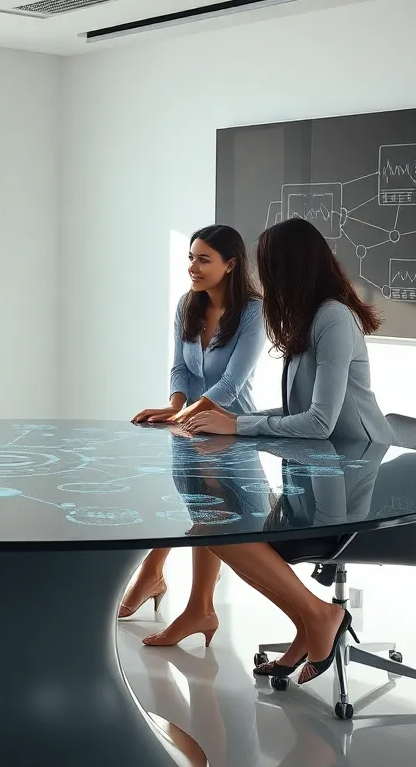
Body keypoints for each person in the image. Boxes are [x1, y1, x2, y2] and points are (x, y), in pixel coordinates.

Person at [172, 217, 398, 687]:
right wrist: (234, 426)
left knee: (217, 529)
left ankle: (317, 617)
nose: (262, 282)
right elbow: (298, 410)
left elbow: (319, 423)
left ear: (290, 268)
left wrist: (236, 423)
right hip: (320, 471)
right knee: (212, 525)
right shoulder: (309, 317)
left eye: (268, 269)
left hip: (351, 476)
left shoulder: (333, 318)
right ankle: (310, 619)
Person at [126, 225, 266, 647]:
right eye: (191, 257)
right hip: (191, 424)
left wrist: (184, 416)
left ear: (231, 264)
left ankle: (171, 587)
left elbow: (231, 385)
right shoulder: (188, 305)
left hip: (231, 428)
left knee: (213, 516)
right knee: (196, 508)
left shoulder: (253, 312)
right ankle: (189, 601)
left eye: (204, 259)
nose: (193, 267)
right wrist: (174, 407)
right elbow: (180, 367)